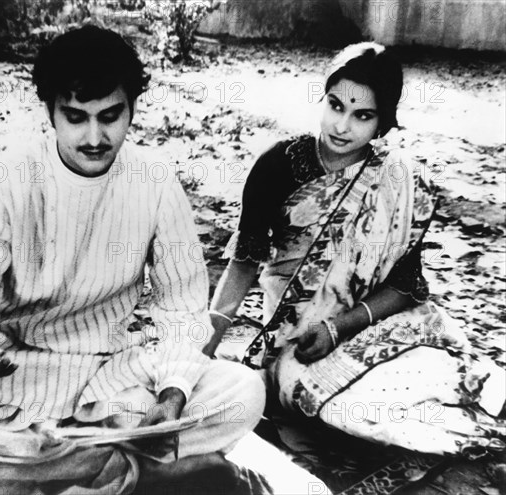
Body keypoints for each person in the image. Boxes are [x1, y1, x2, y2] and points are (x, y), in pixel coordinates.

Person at [0, 26, 267, 495]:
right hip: (15, 375)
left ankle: (70, 472)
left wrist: (174, 392)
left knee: (242, 393)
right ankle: (136, 474)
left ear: (132, 108)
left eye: (110, 115)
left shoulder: (155, 182)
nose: (95, 136)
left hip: (109, 375)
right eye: (76, 116)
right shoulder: (6, 180)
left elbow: (182, 313)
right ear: (50, 112)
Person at [206, 42, 506, 457]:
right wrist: (201, 351)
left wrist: (339, 328)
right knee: (333, 402)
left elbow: (406, 287)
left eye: (362, 115)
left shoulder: (400, 181)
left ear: (383, 123)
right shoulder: (277, 166)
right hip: (298, 336)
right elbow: (244, 264)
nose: (342, 125)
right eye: (335, 105)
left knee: (439, 378)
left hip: (372, 322)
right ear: (324, 98)